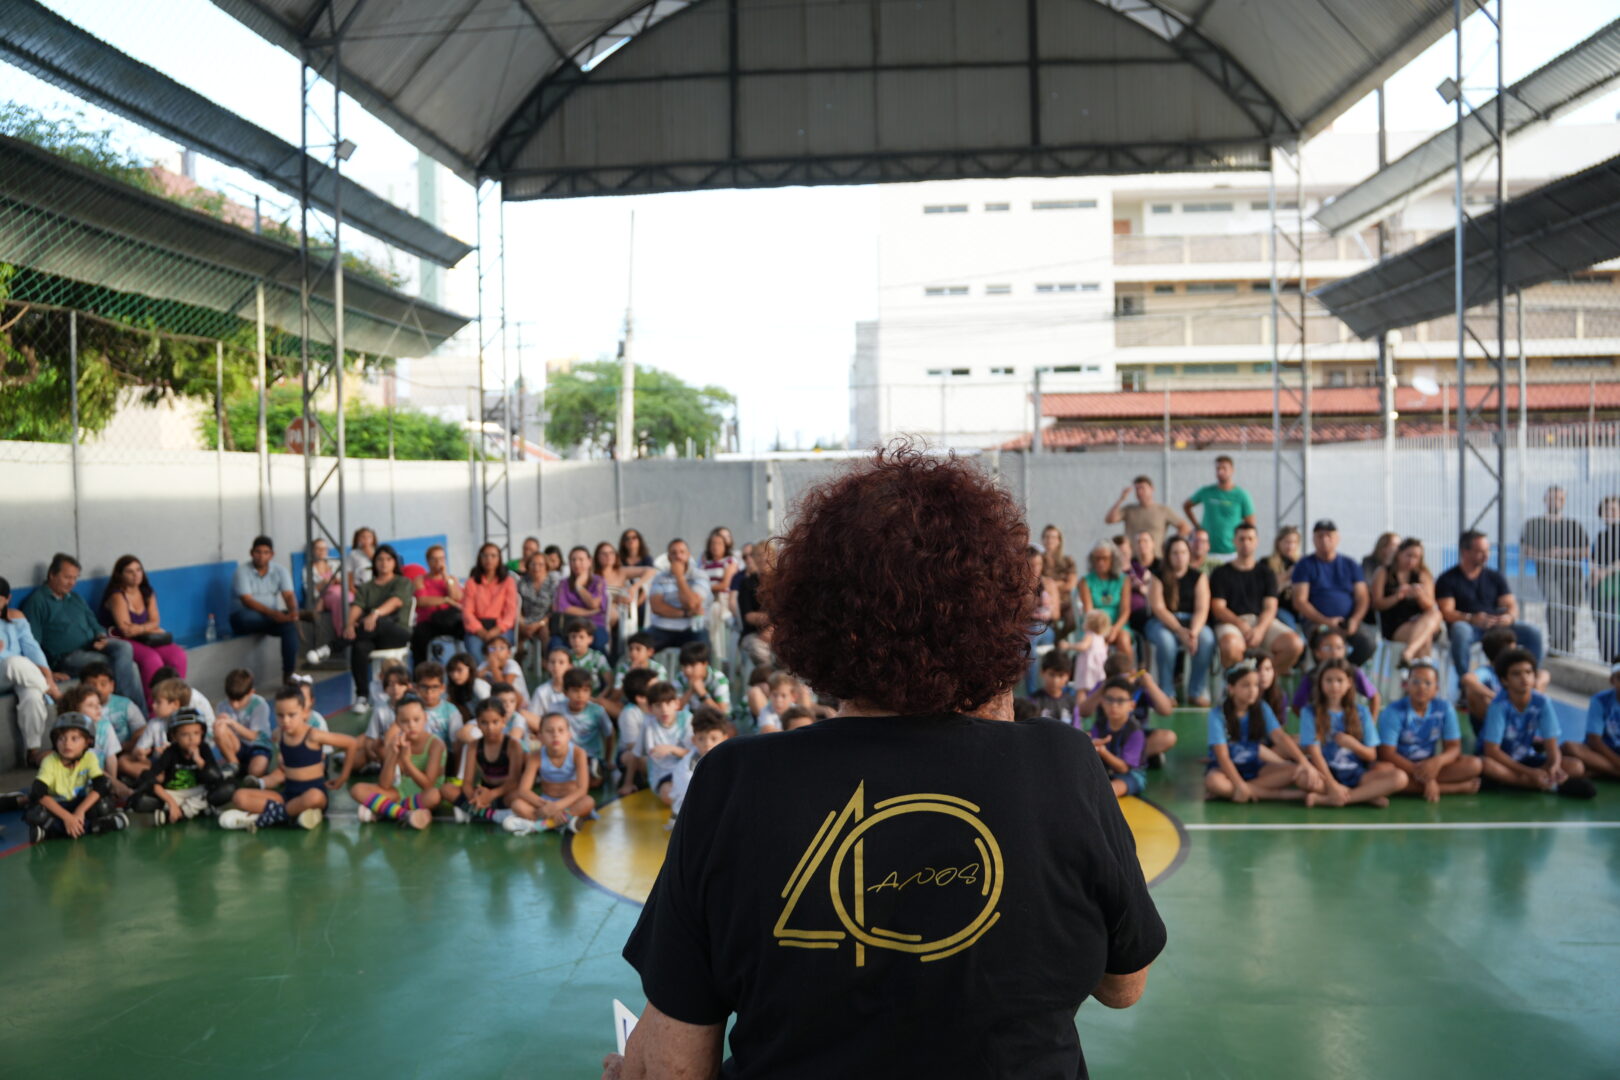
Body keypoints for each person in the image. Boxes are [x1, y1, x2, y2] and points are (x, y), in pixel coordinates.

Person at [612, 445, 1164, 1080]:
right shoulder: (1060, 763)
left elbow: (674, 1067)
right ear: (994, 609)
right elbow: (1125, 984)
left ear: (821, 617)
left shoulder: (736, 781)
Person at [20, 553, 144, 707]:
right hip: (68, 657)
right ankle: (127, 709)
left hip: (94, 646)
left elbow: (95, 624)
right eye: (67, 577)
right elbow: (32, 644)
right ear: (52, 575)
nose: (72, 583)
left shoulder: (75, 598)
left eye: (75, 578)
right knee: (125, 667)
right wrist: (48, 672)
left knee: (125, 647)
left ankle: (138, 718)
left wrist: (101, 636)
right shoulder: (37, 602)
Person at [306, 544, 414, 707]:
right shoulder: (366, 586)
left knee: (379, 622)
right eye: (380, 559)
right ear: (374, 563)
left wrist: (375, 613)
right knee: (360, 646)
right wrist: (349, 624)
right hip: (371, 633)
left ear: (394, 563)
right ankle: (362, 697)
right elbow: (357, 606)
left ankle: (331, 648)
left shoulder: (403, 582)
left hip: (397, 633)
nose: (384, 563)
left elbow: (395, 602)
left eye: (388, 559)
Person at [1478, 648, 1593, 798]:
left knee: (1576, 766)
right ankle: (1544, 784)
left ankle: (1528, 782)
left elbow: (1551, 744)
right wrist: (1530, 773)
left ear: (1534, 675)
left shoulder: (1542, 702)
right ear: (1504, 680)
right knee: (1487, 765)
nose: (1524, 678)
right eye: (1516, 674)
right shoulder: (1498, 706)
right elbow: (1492, 751)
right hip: (1502, 761)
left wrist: (1554, 766)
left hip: (1527, 757)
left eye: (1528, 672)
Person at [1204, 661, 1318, 803]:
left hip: (1255, 767)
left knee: (1297, 772)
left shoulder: (1262, 708)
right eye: (1246, 685)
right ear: (1231, 689)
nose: (1252, 690)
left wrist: (1303, 762)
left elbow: (1280, 737)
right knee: (1213, 781)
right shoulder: (1217, 714)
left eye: (1256, 685)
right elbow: (1223, 756)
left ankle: (1236, 792)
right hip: (1226, 771)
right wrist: (1238, 783)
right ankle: (1285, 795)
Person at [1296, 658, 1404, 808]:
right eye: (1329, 680)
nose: (1334, 685)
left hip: (1357, 775)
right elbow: (1314, 753)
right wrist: (1332, 784)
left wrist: (1353, 745)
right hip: (1325, 775)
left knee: (1399, 778)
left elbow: (1371, 754)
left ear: (1349, 683)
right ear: (1320, 683)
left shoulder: (1362, 712)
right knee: (1302, 778)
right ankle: (1364, 796)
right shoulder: (1309, 712)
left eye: (1340, 680)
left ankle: (1332, 799)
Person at [1436, 530, 1544, 677]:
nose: (1486, 555)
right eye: (1480, 551)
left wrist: (1509, 617)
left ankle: (1531, 678)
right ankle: (1466, 683)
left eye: (1488, 550)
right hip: (1469, 626)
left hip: (1496, 625)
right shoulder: (1447, 579)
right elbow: (1447, 612)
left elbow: (1510, 604)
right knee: (1461, 630)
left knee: (1533, 633)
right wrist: (1471, 618)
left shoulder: (1495, 576)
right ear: (1465, 552)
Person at [1377, 658, 1483, 801]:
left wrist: (1437, 762)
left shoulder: (1445, 708)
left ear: (1436, 689)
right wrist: (1425, 777)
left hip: (1431, 766)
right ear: (1406, 685)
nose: (1421, 687)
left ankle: (1416, 786)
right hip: (1401, 766)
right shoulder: (1393, 711)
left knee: (1474, 765)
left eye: (1428, 683)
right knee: (1382, 771)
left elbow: (1454, 748)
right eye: (1415, 682)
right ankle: (1453, 788)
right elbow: (1386, 753)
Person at [1209, 522, 1302, 675]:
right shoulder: (1221, 573)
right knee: (1231, 646)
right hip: (1231, 622)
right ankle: (1236, 685)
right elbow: (1218, 608)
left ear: (1257, 541)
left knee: (1294, 644)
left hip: (1260, 621)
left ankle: (1262, 681)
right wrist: (1241, 624)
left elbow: (1270, 607)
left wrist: (1259, 629)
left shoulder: (1266, 573)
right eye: (1242, 539)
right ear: (1234, 541)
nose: (1246, 543)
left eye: (1250, 539)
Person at [23, 713, 128, 842]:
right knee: (37, 815)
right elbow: (38, 792)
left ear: (87, 742)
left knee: (103, 805)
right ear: (55, 741)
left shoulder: (89, 758)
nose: (67, 744)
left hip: (78, 803)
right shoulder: (50, 761)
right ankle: (97, 826)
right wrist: (68, 817)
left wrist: (80, 810)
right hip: (57, 806)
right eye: (61, 738)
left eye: (74, 739)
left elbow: (102, 785)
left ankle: (53, 832)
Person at [99, 554, 188, 702]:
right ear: (119, 574)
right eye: (129, 571)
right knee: (151, 660)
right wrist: (149, 628)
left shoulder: (147, 592)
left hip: (145, 638)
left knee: (178, 655)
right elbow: (126, 629)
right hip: (123, 639)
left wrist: (141, 628)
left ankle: (178, 700)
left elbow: (155, 620)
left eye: (138, 570)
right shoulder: (116, 596)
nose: (135, 575)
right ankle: (153, 706)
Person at [348, 693, 443, 829]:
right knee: (357, 789)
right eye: (404, 721)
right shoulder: (397, 741)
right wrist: (393, 754)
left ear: (425, 718)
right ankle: (405, 814)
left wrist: (406, 761)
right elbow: (385, 784)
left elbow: (428, 785)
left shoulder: (435, 744)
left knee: (435, 796)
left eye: (416, 720)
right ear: (397, 723)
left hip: (423, 795)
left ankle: (385, 810)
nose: (411, 725)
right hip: (399, 793)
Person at [1290, 519, 1375, 666]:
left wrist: (1354, 620)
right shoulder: (1304, 565)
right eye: (1320, 536)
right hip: (1316, 622)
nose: (1324, 540)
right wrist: (1326, 621)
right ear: (1313, 539)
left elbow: (1363, 597)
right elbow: (1300, 601)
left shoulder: (1351, 564)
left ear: (1337, 538)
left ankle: (1345, 673)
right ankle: (1322, 677)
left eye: (1329, 535)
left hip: (1347, 621)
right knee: (1324, 644)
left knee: (1368, 644)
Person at [129, 707, 235, 824]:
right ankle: (189, 810)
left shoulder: (204, 749)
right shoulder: (170, 751)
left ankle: (180, 813)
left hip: (198, 793)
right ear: (174, 736)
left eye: (196, 733)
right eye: (184, 735)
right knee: (139, 799)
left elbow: (215, 777)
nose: (191, 739)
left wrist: (199, 760)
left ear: (202, 733)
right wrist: (171, 802)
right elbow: (149, 777)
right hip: (174, 794)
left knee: (228, 787)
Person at [1145, 535, 1215, 707]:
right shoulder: (1157, 576)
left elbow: (1202, 608)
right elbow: (1159, 609)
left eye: (1183, 552)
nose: (1180, 556)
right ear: (1168, 555)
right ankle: (1167, 691)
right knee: (1166, 641)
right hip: (1162, 623)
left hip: (1192, 622)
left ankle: (1196, 691)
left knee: (1206, 639)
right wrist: (1179, 630)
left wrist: (1193, 633)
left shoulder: (1199, 577)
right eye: (1175, 553)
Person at [1520, 485, 1590, 655]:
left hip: (1572, 575)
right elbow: (1526, 550)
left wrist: (1565, 553)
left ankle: (1568, 646)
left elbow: (1586, 551)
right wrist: (1546, 554)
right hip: (1548, 574)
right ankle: (1555, 645)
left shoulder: (1573, 525)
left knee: (1571, 609)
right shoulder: (1534, 524)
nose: (1556, 502)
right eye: (1552, 498)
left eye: (1560, 498)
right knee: (1555, 605)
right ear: (1545, 500)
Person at [0, 577, 58, 766]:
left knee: (32, 695)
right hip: (6, 672)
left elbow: (33, 649)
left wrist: (48, 675)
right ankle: (56, 695)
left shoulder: (15, 618)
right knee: (13, 662)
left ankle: (32, 751)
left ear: (7, 599)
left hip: (23, 674)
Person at [228, 536, 301, 683]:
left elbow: (288, 595)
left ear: (271, 554)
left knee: (289, 626)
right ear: (251, 553)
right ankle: (281, 619)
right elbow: (247, 601)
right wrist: (275, 615)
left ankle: (289, 673)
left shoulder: (280, 570)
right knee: (246, 617)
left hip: (270, 618)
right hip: (247, 619)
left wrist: (293, 611)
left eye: (266, 552)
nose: (262, 556)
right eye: (258, 552)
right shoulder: (242, 571)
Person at [509, 711, 596, 834]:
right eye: (549, 731)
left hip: (570, 803)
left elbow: (582, 789)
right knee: (517, 804)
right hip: (545, 803)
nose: (555, 735)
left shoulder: (578, 753)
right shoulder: (536, 756)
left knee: (588, 802)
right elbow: (524, 790)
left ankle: (541, 825)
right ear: (540, 737)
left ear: (569, 734)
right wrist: (547, 806)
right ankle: (562, 822)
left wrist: (557, 807)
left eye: (561, 730)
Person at [445, 698, 526, 827]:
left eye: (495, 722)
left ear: (504, 721)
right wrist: (475, 798)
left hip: (504, 793)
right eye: (484, 723)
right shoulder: (474, 746)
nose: (490, 728)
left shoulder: (512, 745)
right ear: (477, 723)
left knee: (518, 797)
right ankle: (489, 813)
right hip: (483, 792)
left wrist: (491, 795)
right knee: (446, 789)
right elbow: (467, 782)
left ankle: (472, 812)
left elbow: (513, 782)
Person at [1369, 538, 1443, 665]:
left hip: (1421, 621)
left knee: (1435, 615)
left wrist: (1420, 596)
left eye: (1416, 557)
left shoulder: (1423, 575)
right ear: (1398, 554)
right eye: (1409, 555)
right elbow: (1377, 604)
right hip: (1396, 624)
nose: (1411, 561)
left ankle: (1408, 654)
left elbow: (1431, 606)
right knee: (1425, 637)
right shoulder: (1383, 573)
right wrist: (1398, 596)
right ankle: (1421, 672)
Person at [1290, 625, 1381, 721]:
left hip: (1349, 726)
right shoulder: (1311, 676)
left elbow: (1374, 697)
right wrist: (1314, 724)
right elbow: (1297, 706)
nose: (1334, 652)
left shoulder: (1353, 672)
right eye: (1327, 648)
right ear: (1317, 652)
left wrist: (1370, 726)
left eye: (1339, 647)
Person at [644, 539, 710, 652]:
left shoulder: (700, 575)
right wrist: (686, 613)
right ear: (668, 557)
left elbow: (692, 603)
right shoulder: (660, 577)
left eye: (682, 552)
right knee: (639, 645)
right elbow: (657, 607)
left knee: (701, 651)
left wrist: (679, 577)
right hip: (661, 628)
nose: (678, 556)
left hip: (691, 628)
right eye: (673, 553)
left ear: (688, 555)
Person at [1183, 455, 1256, 556]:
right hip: (1208, 551)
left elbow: (1250, 524)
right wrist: (1197, 526)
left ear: (1232, 470)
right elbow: (1186, 506)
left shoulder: (1241, 495)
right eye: (1218, 469)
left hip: (1231, 551)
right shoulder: (1206, 492)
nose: (1220, 472)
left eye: (1224, 468)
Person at [668, 708, 735, 817]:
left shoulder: (731, 760)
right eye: (701, 739)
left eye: (714, 738)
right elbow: (694, 796)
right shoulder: (685, 767)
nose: (707, 744)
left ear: (724, 738)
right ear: (694, 740)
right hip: (687, 816)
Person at [1090, 675, 1149, 797]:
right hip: (1104, 771)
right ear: (1102, 702)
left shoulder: (1135, 732)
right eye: (1109, 699)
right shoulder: (1099, 725)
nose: (1114, 705)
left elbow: (1123, 768)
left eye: (1120, 701)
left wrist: (1102, 751)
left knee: (1114, 788)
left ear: (1132, 705)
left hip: (1130, 774)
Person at [1079, 542, 1135, 666]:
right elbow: (1089, 612)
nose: (1100, 562)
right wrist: (1102, 630)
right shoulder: (1085, 581)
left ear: (1113, 560)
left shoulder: (1124, 580)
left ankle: (1129, 677)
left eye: (1105, 558)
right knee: (1095, 642)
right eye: (1097, 558)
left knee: (1124, 640)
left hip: (1119, 625)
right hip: (1094, 625)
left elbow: (1126, 610)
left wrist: (1114, 629)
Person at [462, 542, 518, 665]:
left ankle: (499, 681)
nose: (489, 559)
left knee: (498, 651)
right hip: (477, 628)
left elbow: (510, 612)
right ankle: (485, 680)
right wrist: (481, 631)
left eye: (493, 556)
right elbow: (467, 612)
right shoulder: (471, 583)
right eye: (485, 556)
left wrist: (496, 631)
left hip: (501, 627)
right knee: (476, 650)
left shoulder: (508, 581)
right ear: (480, 558)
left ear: (499, 559)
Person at [410, 544, 466, 666]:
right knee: (419, 636)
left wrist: (446, 577)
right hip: (429, 621)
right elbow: (422, 601)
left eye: (441, 558)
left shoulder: (451, 579)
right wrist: (445, 600)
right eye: (434, 559)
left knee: (466, 629)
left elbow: (456, 597)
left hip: (449, 620)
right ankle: (421, 670)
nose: (438, 562)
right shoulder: (420, 580)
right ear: (428, 561)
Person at [213, 668, 273, 781]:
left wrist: (232, 723)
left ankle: (245, 768)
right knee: (219, 727)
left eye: (240, 700)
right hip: (238, 746)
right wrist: (219, 725)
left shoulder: (259, 704)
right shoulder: (222, 705)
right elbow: (217, 735)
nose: (235, 705)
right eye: (231, 699)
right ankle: (233, 764)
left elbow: (253, 736)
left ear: (251, 692)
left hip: (259, 746)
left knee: (255, 772)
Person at [1565, 662, 1620, 781]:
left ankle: (1601, 770)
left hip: (1605, 760)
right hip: (1603, 753)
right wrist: (1617, 762)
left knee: (1576, 765)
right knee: (1569, 747)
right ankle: (1612, 772)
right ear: (1612, 680)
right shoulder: (1600, 700)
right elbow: (1594, 740)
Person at [1104, 475, 1188, 552]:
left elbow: (1185, 527)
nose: (1139, 492)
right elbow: (1109, 519)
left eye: (1142, 488)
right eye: (1137, 489)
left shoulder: (1163, 510)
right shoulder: (1129, 510)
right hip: (1133, 558)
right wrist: (1121, 499)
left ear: (1152, 489)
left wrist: (1169, 545)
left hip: (1156, 558)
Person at [516, 551, 563, 687]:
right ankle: (518, 672)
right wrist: (522, 621)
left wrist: (539, 623)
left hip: (545, 620)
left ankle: (549, 672)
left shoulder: (553, 581)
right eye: (533, 564)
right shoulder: (522, 582)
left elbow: (554, 609)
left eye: (540, 564)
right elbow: (517, 606)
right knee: (517, 635)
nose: (537, 567)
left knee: (545, 634)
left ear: (546, 566)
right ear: (528, 566)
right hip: (527, 619)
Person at [559, 668, 614, 785]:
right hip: (566, 755)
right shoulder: (556, 709)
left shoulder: (597, 711)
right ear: (565, 692)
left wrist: (607, 760)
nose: (580, 695)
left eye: (585, 691)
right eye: (575, 691)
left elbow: (610, 734)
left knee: (595, 782)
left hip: (591, 756)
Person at [554, 545, 611, 656]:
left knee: (598, 643)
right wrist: (588, 612)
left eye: (581, 559)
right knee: (555, 643)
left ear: (589, 561)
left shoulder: (598, 581)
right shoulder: (563, 584)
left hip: (594, 624)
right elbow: (563, 608)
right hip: (569, 626)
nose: (576, 563)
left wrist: (579, 586)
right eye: (573, 560)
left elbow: (594, 603)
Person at [615, 668, 659, 794]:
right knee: (631, 757)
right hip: (637, 753)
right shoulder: (630, 714)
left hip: (660, 750)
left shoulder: (662, 707)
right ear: (641, 698)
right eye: (655, 687)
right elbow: (633, 747)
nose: (660, 690)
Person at [734, 541, 774, 667]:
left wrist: (773, 628)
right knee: (758, 649)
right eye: (759, 555)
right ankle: (768, 680)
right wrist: (773, 621)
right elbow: (748, 616)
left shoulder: (782, 582)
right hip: (753, 633)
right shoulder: (747, 584)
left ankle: (784, 682)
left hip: (779, 632)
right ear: (753, 559)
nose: (764, 558)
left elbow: (789, 612)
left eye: (768, 554)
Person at [1040, 525, 1081, 640]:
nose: (1050, 540)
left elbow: (1071, 584)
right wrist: (1061, 583)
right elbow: (1038, 582)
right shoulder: (1038, 560)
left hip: (1066, 602)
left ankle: (1059, 641)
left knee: (1073, 620)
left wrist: (1052, 585)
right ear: (1042, 540)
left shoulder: (1068, 561)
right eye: (1047, 537)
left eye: (1053, 537)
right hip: (1046, 602)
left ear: (1059, 541)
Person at [1593, 495, 1620, 664]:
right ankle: (1608, 659)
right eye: (1606, 510)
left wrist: (1604, 572)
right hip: (1602, 585)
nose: (1610, 513)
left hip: (1615, 583)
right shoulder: (1602, 535)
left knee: (1616, 624)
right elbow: (1594, 557)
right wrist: (1595, 572)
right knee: (1604, 623)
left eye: (1614, 509)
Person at [674, 640, 731, 713]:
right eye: (684, 665)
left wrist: (703, 693)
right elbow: (674, 709)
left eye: (692, 665)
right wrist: (690, 691)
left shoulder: (719, 679)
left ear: (705, 664)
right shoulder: (680, 678)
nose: (688, 670)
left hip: (713, 722)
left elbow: (722, 713)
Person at [1265, 525, 1302, 630]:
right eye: (1287, 542)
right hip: (1279, 607)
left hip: (1300, 608)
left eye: (1294, 542)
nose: (1290, 546)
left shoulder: (1302, 563)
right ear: (1278, 543)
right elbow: (1269, 588)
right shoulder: (1267, 563)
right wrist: (1287, 575)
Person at [1125, 530, 1159, 639]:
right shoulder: (1129, 567)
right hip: (1136, 611)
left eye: (1145, 541)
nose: (1142, 544)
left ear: (1153, 543)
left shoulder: (1162, 566)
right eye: (1138, 541)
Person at [563, 619, 612, 696]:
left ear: (590, 639)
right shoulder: (565, 657)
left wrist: (598, 699)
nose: (577, 640)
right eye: (573, 637)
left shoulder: (597, 657)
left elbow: (610, 683)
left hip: (593, 698)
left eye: (581, 637)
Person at [1029, 649, 1077, 723]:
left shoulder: (1071, 702)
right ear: (1042, 672)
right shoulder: (1034, 701)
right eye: (1052, 674)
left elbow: (1077, 729)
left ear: (1068, 676)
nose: (1055, 680)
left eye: (1061, 675)